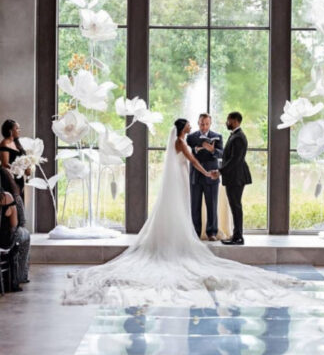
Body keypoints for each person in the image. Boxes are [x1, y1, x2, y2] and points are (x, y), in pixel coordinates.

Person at [63, 119, 310, 308]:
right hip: (183, 180)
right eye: (190, 125)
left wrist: (209, 161)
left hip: (179, 181)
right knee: (181, 211)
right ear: (183, 129)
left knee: (178, 211)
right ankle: (176, 243)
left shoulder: (181, 141)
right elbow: (193, 161)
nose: (194, 127)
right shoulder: (182, 142)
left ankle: (173, 239)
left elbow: (195, 155)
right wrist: (207, 172)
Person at [211, 112, 252, 246]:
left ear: (235, 121)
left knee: (236, 206)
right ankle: (236, 235)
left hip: (237, 177)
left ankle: (238, 237)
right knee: (235, 206)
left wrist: (220, 171)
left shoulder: (238, 137)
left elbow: (235, 159)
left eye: (228, 120)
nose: (226, 122)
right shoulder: (235, 135)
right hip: (234, 176)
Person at [187, 113, 223, 240]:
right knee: (195, 206)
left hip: (211, 175)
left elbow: (222, 154)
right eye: (202, 123)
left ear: (210, 124)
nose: (204, 126)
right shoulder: (190, 137)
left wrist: (212, 150)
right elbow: (187, 153)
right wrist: (197, 149)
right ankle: (195, 233)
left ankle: (212, 233)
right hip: (195, 176)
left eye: (207, 124)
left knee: (212, 205)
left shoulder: (217, 136)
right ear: (198, 123)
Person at [0, 168, 30, 286]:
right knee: (24, 234)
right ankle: (20, 276)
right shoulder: (9, 197)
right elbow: (16, 224)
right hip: (4, 240)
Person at [0, 119, 30, 201]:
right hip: (9, 178)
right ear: (10, 131)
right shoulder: (4, 143)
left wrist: (27, 167)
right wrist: (19, 169)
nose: (19, 131)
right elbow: (4, 163)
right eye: (17, 129)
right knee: (14, 202)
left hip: (19, 178)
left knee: (20, 203)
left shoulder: (17, 143)